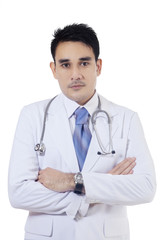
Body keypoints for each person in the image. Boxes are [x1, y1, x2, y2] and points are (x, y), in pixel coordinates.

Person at [8, 23, 156, 240]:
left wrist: (72, 181)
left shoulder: (126, 118)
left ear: (98, 66)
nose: (75, 74)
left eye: (84, 63)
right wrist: (100, 187)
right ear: (54, 69)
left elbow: (145, 188)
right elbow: (18, 194)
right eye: (66, 65)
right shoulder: (32, 116)